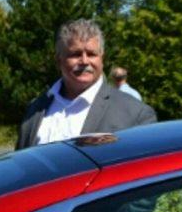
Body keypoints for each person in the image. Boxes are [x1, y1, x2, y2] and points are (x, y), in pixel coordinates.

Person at [17, 19, 156, 150]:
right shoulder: (35, 110)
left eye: (91, 54)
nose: (84, 61)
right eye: (75, 54)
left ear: (102, 59)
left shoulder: (135, 114)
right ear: (59, 60)